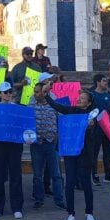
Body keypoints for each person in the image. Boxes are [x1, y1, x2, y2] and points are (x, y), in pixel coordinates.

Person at [43, 83, 98, 220]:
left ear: (89, 102)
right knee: (70, 183)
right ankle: (71, 213)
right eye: (79, 97)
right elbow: (57, 107)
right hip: (70, 153)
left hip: (85, 154)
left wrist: (92, 127)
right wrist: (46, 96)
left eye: (83, 98)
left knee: (86, 184)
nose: (79, 100)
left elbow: (96, 136)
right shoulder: (71, 110)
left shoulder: (92, 116)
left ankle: (89, 212)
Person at [0, 82, 26, 219]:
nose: (9, 94)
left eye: (10, 91)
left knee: (15, 176)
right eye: (5, 92)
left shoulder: (17, 108)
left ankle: (17, 207)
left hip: (14, 145)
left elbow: (23, 125)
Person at [29, 81, 65, 210]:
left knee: (56, 174)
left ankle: (59, 200)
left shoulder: (54, 105)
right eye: (35, 91)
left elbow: (60, 121)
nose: (35, 94)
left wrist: (57, 135)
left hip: (51, 143)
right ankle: (39, 199)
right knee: (37, 174)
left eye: (38, 91)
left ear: (45, 93)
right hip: (36, 144)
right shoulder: (30, 106)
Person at [89, 74, 110, 184]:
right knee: (95, 152)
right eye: (104, 81)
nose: (106, 82)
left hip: (107, 128)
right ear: (98, 82)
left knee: (107, 152)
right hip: (96, 129)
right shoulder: (92, 95)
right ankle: (94, 174)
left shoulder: (109, 95)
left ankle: (108, 174)